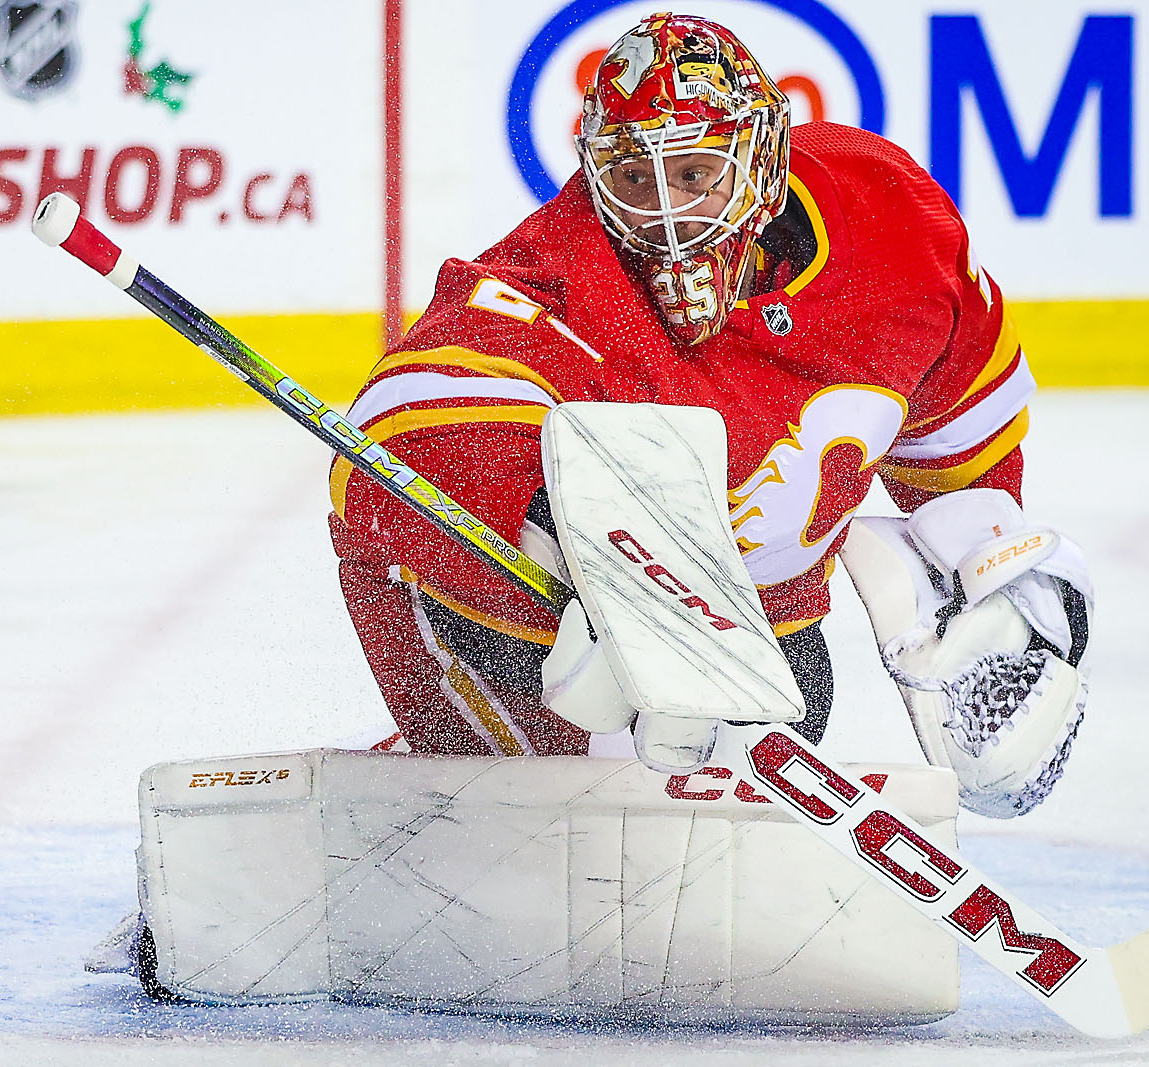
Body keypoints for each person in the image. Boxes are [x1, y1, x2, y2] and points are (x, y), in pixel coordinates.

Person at [328, 12, 1092, 817]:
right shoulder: (563, 273)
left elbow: (962, 436)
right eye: (630, 180)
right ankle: (444, 799)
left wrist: (996, 588)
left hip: (755, 646)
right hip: (504, 624)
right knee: (574, 765)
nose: (663, 218)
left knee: (792, 704)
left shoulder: (889, 221)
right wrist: (590, 576)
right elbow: (392, 436)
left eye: (692, 174)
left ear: (760, 160)